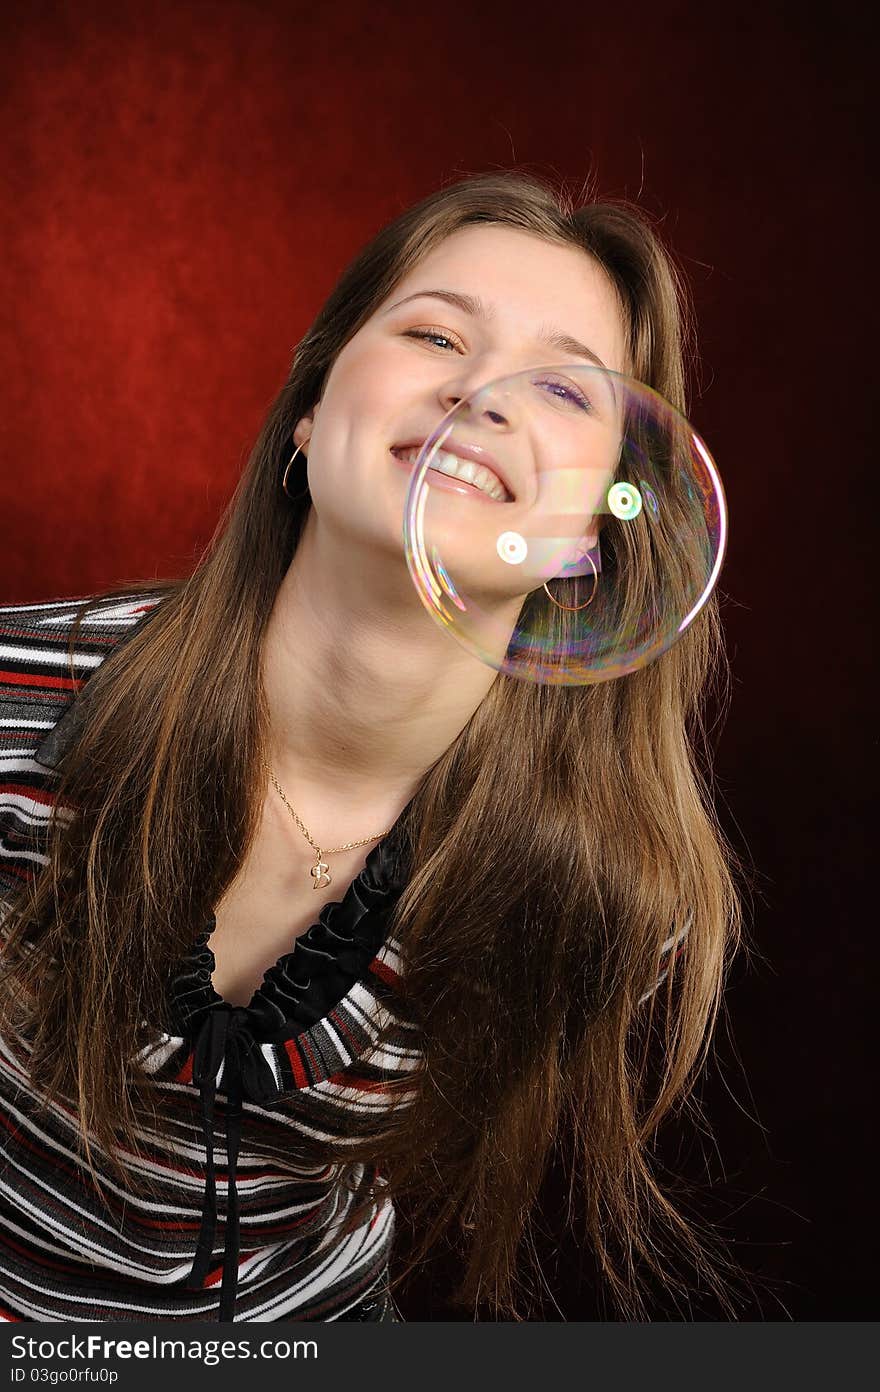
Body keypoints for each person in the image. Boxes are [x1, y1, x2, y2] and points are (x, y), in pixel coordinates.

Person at [0, 170, 743, 1323]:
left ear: (589, 528)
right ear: (311, 412)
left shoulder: (610, 893)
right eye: (434, 332)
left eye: (561, 386)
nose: (482, 394)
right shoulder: (17, 707)